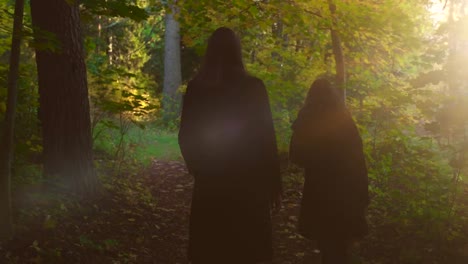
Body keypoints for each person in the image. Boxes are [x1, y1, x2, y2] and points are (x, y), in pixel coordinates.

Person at [178, 27, 282, 264]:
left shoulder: (198, 88)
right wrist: (273, 184)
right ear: (237, 51)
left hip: (211, 184)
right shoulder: (254, 87)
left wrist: (198, 167)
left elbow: (186, 135)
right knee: (247, 249)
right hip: (250, 185)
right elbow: (266, 138)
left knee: (213, 248)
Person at [289, 78, 369, 264]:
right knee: (340, 243)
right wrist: (362, 194)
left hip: (319, 189)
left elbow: (296, 156)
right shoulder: (344, 118)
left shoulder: (307, 116)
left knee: (327, 239)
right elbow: (358, 158)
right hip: (346, 189)